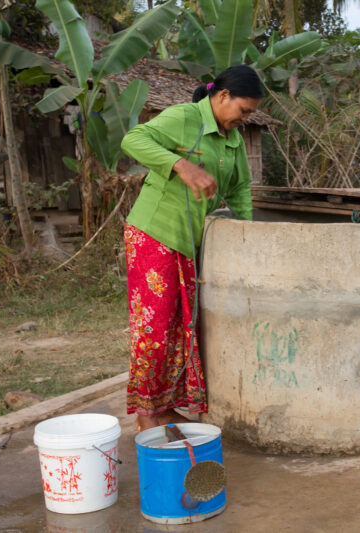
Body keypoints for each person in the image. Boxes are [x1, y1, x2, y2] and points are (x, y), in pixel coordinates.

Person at [120, 65, 264, 431]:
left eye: (250, 114)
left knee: (182, 327)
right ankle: (146, 413)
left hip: (189, 241)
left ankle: (165, 406)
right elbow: (133, 140)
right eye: (243, 110)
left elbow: (241, 190)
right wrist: (180, 164)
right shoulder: (185, 117)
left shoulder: (232, 141)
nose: (245, 119)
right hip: (154, 233)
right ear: (222, 96)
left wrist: (248, 239)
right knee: (154, 328)